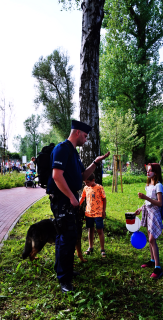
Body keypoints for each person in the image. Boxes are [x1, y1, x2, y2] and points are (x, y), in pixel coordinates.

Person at [47, 120, 110, 293]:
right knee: (67, 237)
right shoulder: (62, 149)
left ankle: (64, 270)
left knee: (67, 236)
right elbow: (57, 176)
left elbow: (83, 175)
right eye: (85, 135)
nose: (86, 139)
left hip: (69, 199)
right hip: (62, 200)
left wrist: (96, 163)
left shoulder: (73, 153)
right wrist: (71, 197)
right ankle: (64, 279)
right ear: (77, 133)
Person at [135, 163, 163, 279]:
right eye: (147, 170)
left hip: (154, 214)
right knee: (149, 236)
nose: (147, 172)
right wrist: (140, 208)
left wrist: (145, 198)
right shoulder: (148, 184)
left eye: (150, 170)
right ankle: (152, 260)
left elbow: (160, 203)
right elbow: (147, 202)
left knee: (152, 239)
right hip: (147, 212)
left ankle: (158, 267)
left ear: (155, 172)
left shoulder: (158, 185)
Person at [79, 173, 106, 257]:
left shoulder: (99, 187)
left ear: (93, 180)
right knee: (90, 230)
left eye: (87, 182)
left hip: (98, 213)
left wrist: (103, 211)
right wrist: (77, 205)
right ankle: (90, 247)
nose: (86, 184)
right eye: (85, 182)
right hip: (88, 213)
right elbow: (82, 198)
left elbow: (104, 199)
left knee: (100, 231)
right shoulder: (86, 188)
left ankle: (102, 249)